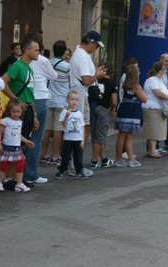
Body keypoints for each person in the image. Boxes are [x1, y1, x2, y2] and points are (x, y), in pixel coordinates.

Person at [1, 39, 40, 188]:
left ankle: (15, 179)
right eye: (36, 50)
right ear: (27, 51)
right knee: (15, 146)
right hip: (19, 110)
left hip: (29, 109)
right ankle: (8, 180)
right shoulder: (17, 66)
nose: (38, 53)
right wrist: (15, 99)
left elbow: (31, 93)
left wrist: (34, 114)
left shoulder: (29, 69)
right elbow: (2, 81)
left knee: (21, 146)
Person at [22, 32, 58, 184]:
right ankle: (31, 173)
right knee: (36, 137)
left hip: (25, 99)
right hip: (41, 98)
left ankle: (18, 172)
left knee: (23, 137)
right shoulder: (42, 60)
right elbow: (54, 75)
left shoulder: (21, 60)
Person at [69, 31, 106, 177]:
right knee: (82, 130)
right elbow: (86, 80)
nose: (96, 48)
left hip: (80, 94)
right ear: (91, 43)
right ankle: (76, 165)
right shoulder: (82, 56)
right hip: (82, 95)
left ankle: (75, 164)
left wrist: (95, 73)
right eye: (96, 46)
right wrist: (97, 75)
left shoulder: (80, 54)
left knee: (82, 130)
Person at [40, 40, 70, 166]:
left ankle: (43, 154)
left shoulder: (48, 63)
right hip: (61, 100)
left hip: (48, 98)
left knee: (47, 128)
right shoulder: (67, 66)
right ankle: (55, 155)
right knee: (58, 129)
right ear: (64, 52)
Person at [0, 99, 35, 192]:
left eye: (18, 112)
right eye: (13, 111)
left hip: (17, 148)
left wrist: (26, 141)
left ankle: (19, 184)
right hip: (6, 147)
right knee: (3, 166)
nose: (16, 114)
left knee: (20, 164)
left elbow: (18, 134)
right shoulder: (5, 121)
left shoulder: (20, 122)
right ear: (9, 110)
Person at [114, 64, 146, 167]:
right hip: (131, 111)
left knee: (124, 135)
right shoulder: (135, 87)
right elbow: (144, 99)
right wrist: (141, 91)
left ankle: (126, 158)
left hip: (125, 109)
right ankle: (123, 159)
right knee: (125, 136)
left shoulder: (126, 85)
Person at [89, 62, 117, 168]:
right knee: (100, 138)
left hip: (94, 107)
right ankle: (94, 160)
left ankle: (104, 159)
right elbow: (114, 101)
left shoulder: (95, 81)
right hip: (103, 109)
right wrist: (111, 110)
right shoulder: (112, 84)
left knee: (95, 135)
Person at [142, 62, 168, 158]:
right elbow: (157, 92)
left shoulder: (158, 80)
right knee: (153, 130)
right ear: (160, 71)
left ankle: (152, 149)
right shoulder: (152, 80)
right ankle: (151, 150)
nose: (164, 72)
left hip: (157, 107)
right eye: (163, 70)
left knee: (156, 129)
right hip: (152, 107)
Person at [54, 91, 87, 180]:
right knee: (65, 155)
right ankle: (61, 171)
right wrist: (66, 117)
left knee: (78, 156)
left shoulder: (79, 113)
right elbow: (64, 124)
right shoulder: (64, 112)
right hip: (68, 138)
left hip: (78, 138)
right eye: (72, 99)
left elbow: (82, 127)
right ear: (67, 100)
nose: (74, 102)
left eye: (76, 100)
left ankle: (79, 171)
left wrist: (83, 140)